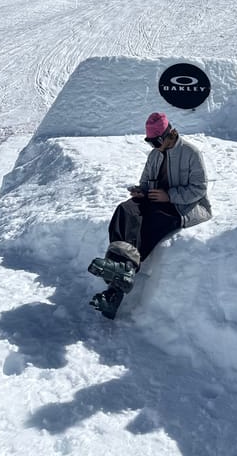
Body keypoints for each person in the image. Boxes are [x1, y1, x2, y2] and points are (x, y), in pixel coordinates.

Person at [88, 112, 211, 319]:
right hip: (155, 201)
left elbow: (199, 189)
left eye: (154, 142)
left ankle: (120, 276)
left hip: (184, 207)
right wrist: (141, 192)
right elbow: (145, 182)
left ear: (166, 136)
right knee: (125, 210)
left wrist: (169, 195)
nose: (152, 147)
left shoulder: (191, 153)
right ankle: (120, 269)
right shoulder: (154, 156)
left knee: (148, 224)